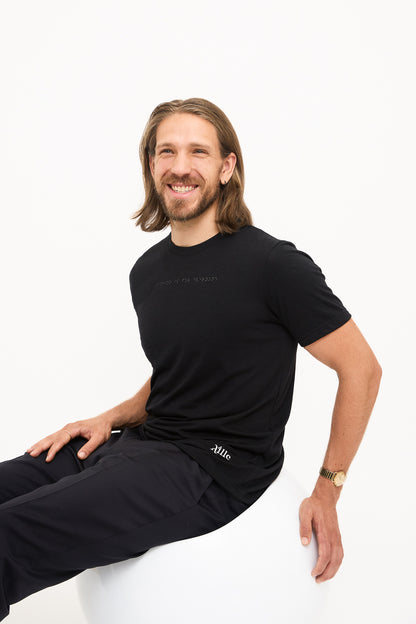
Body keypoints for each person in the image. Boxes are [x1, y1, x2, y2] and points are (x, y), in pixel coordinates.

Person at [0, 98, 382, 620]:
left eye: (198, 151)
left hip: (214, 472)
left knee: (11, 534)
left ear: (227, 167)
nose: (181, 166)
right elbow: (183, 371)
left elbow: (361, 368)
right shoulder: (148, 272)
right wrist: (109, 418)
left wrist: (328, 491)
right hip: (143, 445)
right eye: (167, 151)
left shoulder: (273, 265)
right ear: (151, 166)